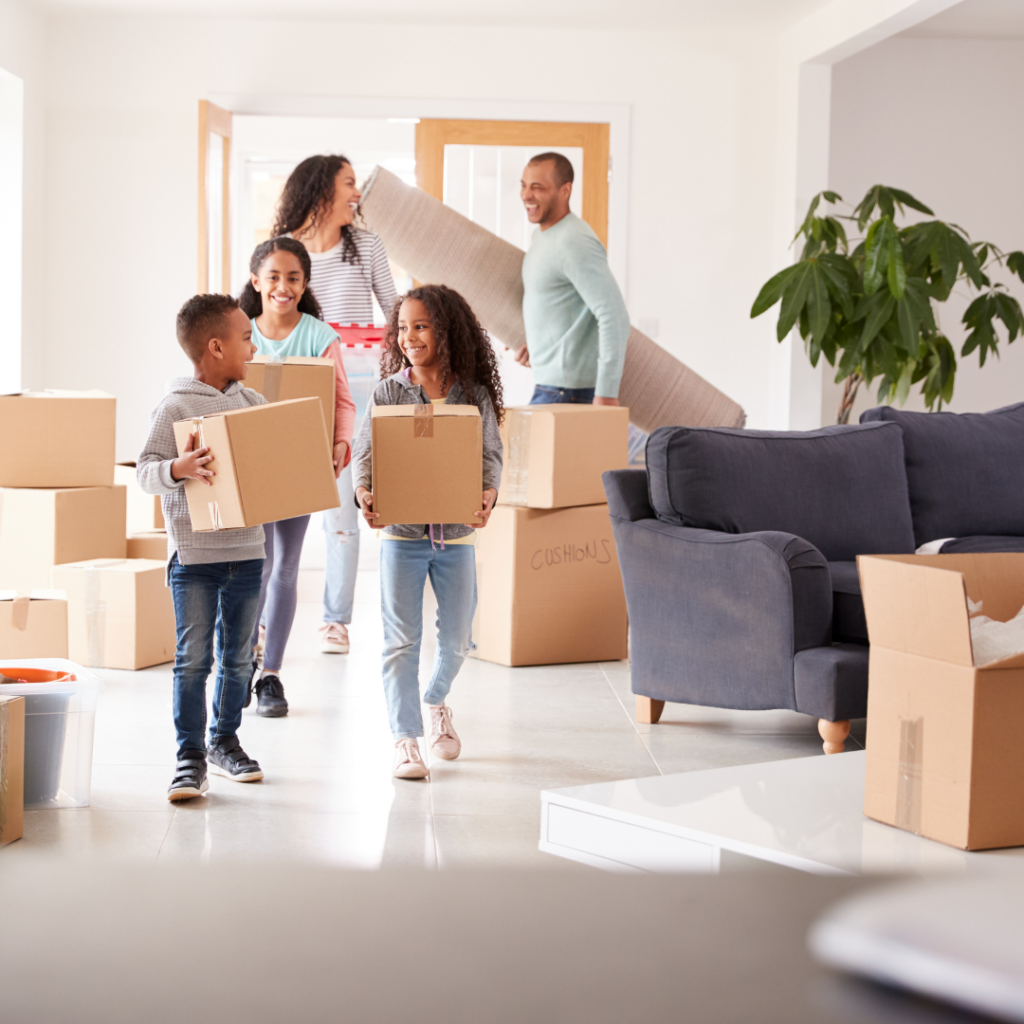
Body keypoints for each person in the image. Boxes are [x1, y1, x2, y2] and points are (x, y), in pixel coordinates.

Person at [352, 285, 503, 780]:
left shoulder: (472, 395)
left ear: (447, 330)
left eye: (420, 326)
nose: (408, 337)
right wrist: (364, 492)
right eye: (402, 328)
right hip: (401, 534)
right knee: (400, 642)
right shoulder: (387, 393)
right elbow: (366, 454)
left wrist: (488, 492)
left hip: (456, 535)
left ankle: (435, 700)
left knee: (459, 641)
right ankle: (405, 739)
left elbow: (490, 457)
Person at [137, 294, 267, 802]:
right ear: (216, 346)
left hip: (249, 552)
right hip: (194, 560)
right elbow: (146, 470)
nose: (253, 347)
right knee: (194, 658)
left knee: (238, 659)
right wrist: (178, 469)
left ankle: (224, 740)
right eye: (246, 338)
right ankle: (189, 755)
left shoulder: (252, 403)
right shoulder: (175, 406)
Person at [274, 155, 399, 656]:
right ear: (322, 189)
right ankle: (266, 618)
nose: (357, 193)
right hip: (299, 388)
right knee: (278, 505)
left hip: (358, 389)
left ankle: (335, 621)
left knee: (343, 508)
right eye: (349, 183)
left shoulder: (366, 246)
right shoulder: (286, 253)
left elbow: (395, 314)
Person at [239, 236, 357, 717]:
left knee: (285, 566)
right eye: (273, 277)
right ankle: (242, 662)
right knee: (255, 568)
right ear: (256, 282)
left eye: (293, 278)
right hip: (249, 464)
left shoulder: (319, 336)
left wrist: (340, 445)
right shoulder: (239, 331)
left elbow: (343, 401)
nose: (283, 287)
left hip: (300, 462)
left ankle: (271, 676)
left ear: (305, 283)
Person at [517, 152, 630, 408]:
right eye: (523, 185)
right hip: (552, 385)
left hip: (569, 392)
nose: (526, 195)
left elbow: (614, 316)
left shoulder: (574, 241)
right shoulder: (542, 237)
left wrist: (607, 392)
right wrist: (537, 346)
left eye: (537, 187)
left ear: (565, 190)